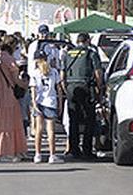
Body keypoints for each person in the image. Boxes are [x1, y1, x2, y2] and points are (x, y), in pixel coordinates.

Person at [62, 32, 102, 160]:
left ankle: (74, 149)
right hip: (86, 87)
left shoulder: (68, 54)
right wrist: (99, 88)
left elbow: (63, 74)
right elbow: (98, 73)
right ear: (88, 41)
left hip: (71, 88)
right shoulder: (91, 53)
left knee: (73, 120)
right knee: (89, 119)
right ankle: (87, 149)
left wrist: (65, 89)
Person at [0, 36, 28, 162]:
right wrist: (25, 84)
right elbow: (16, 79)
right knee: (10, 123)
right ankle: (9, 151)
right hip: (8, 93)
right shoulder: (10, 59)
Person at [30, 53, 64, 164]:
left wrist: (34, 103)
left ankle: (38, 154)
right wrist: (60, 103)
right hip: (51, 101)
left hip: (39, 101)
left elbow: (33, 90)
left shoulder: (35, 73)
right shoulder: (53, 72)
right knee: (51, 130)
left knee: (38, 129)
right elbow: (58, 88)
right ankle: (52, 155)